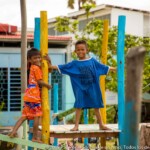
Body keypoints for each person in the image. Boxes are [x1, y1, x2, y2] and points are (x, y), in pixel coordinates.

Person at [49, 40, 116, 131]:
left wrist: (116, 68)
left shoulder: (92, 61)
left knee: (97, 106)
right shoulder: (74, 64)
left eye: (82, 49)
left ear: (87, 50)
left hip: (92, 87)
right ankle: (76, 126)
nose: (80, 51)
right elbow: (62, 67)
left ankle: (101, 124)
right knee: (79, 105)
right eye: (78, 50)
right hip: (80, 88)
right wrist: (49, 66)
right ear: (75, 51)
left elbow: (103, 67)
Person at [8, 48, 52, 143]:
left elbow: (49, 70)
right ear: (29, 60)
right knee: (37, 116)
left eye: (39, 57)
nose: (37, 60)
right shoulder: (35, 68)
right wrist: (47, 85)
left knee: (24, 116)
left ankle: (13, 132)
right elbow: (40, 81)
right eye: (35, 58)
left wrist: (48, 60)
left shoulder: (33, 67)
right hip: (34, 95)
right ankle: (35, 137)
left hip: (29, 95)